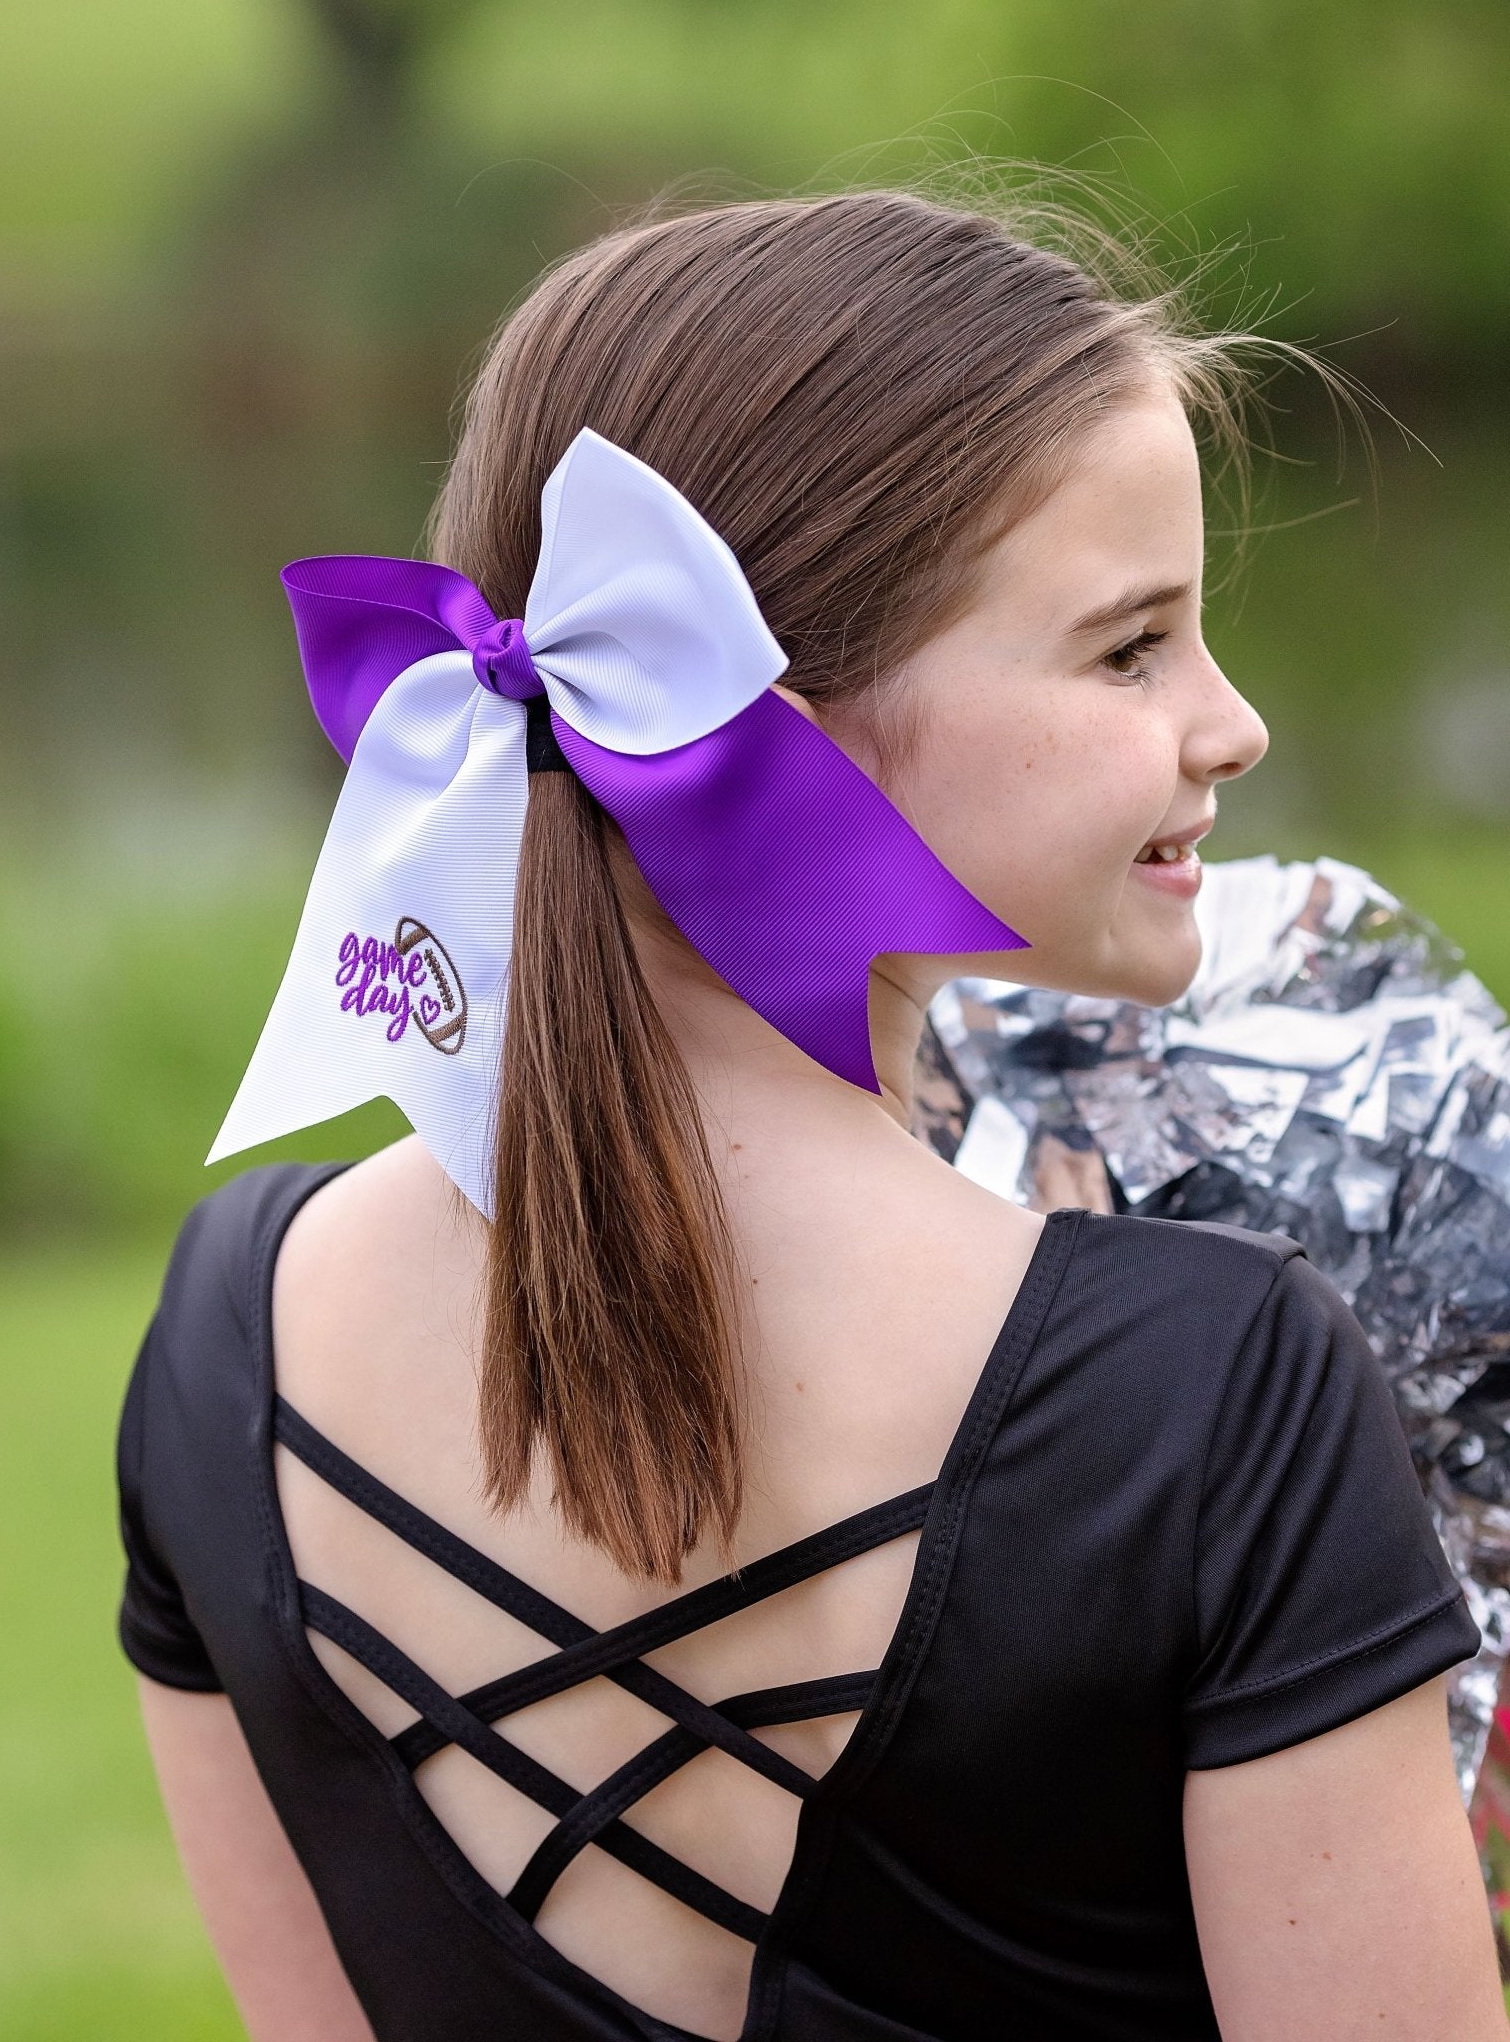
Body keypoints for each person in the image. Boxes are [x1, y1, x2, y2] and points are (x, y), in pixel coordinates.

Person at [114, 186, 1506, 2042]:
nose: (1230, 720)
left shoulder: (228, 1341)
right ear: (785, 721)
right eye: (1131, 646)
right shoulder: (1206, 1397)